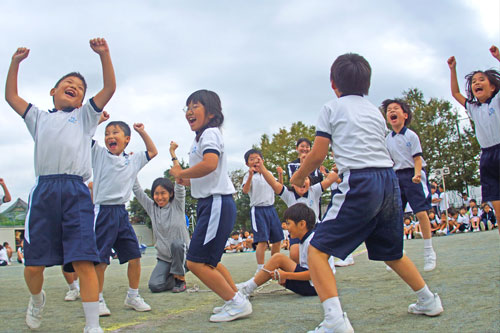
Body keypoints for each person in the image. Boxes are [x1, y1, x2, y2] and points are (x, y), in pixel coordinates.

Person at [291, 53, 443, 332]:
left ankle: (335, 321)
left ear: (333, 83)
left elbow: (318, 155)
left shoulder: (330, 108)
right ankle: (428, 299)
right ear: (367, 84)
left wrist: (298, 177)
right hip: (389, 181)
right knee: (392, 252)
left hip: (360, 182)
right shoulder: (375, 110)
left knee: (315, 249)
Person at [5, 38, 116, 332]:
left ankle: (92, 325)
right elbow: (12, 96)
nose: (75, 87)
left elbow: (108, 89)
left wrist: (104, 55)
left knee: (83, 261)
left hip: (76, 192)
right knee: (33, 266)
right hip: (44, 192)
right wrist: (15, 63)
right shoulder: (38, 117)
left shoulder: (84, 117)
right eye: (68, 83)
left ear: (82, 100)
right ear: (53, 91)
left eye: (80, 87)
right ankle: (37, 298)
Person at [169, 90, 251, 322]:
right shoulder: (199, 139)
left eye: (196, 106)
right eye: (188, 107)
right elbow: (199, 174)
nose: (190, 111)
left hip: (216, 201)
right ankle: (234, 297)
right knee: (209, 262)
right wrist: (183, 177)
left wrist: (182, 172)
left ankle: (237, 302)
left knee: (195, 262)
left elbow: (210, 164)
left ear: (212, 113)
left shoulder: (211, 134)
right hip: (210, 202)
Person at [91, 119, 157, 316]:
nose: (110, 136)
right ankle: (97, 299)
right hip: (103, 211)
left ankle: (133, 295)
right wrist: (97, 120)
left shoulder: (132, 159)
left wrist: (142, 132)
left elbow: (152, 152)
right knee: (101, 260)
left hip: (121, 212)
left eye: (115, 133)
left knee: (134, 256)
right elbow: (84, 135)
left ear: (126, 139)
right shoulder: (99, 154)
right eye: (107, 133)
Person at [447, 46, 500, 236]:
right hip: (487, 157)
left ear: (492, 86)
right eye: (474, 82)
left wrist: (498, 57)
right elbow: (455, 93)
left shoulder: (497, 101)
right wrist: (453, 69)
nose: (476, 83)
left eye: (481, 80)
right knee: (497, 207)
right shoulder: (473, 108)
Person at [383, 98, 437, 271]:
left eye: (396, 108)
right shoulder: (387, 139)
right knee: (396, 215)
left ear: (404, 115)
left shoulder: (411, 135)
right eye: (389, 109)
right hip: (397, 176)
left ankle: (429, 252)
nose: (392, 111)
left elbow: (417, 158)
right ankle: (397, 254)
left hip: (414, 174)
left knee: (421, 213)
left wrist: (417, 174)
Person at [236, 203, 336, 298]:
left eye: (288, 224)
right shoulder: (306, 240)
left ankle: (247, 288)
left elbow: (313, 274)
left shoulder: (312, 243)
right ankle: (248, 286)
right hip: (316, 283)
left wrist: (286, 274)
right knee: (280, 265)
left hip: (317, 287)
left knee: (278, 258)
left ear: (302, 224)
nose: (286, 228)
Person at [256, 157, 339, 264]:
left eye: (305, 178)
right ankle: (299, 271)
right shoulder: (288, 194)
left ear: (310, 182)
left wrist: (337, 169)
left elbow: (330, 179)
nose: (301, 182)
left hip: (314, 229)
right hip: (296, 232)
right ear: (292, 183)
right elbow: (273, 183)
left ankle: (320, 266)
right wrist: (262, 168)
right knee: (295, 254)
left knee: (317, 252)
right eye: (298, 179)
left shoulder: (315, 190)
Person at [133, 142, 190, 294]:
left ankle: (180, 279)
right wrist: (132, 166)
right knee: (155, 286)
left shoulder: (177, 204)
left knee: (178, 244)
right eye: (156, 193)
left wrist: (173, 154)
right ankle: (173, 274)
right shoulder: (152, 208)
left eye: (163, 193)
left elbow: (179, 178)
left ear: (170, 193)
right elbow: (137, 190)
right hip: (165, 258)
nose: (159, 197)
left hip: (184, 254)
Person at [242, 149, 283, 273]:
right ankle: (260, 268)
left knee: (277, 239)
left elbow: (278, 188)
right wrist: (249, 176)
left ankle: (273, 265)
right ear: (247, 163)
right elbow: (245, 190)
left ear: (262, 160)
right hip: (258, 209)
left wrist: (280, 175)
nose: (255, 160)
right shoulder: (248, 176)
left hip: (271, 208)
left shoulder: (268, 173)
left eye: (257, 158)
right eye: (252, 159)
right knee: (262, 240)